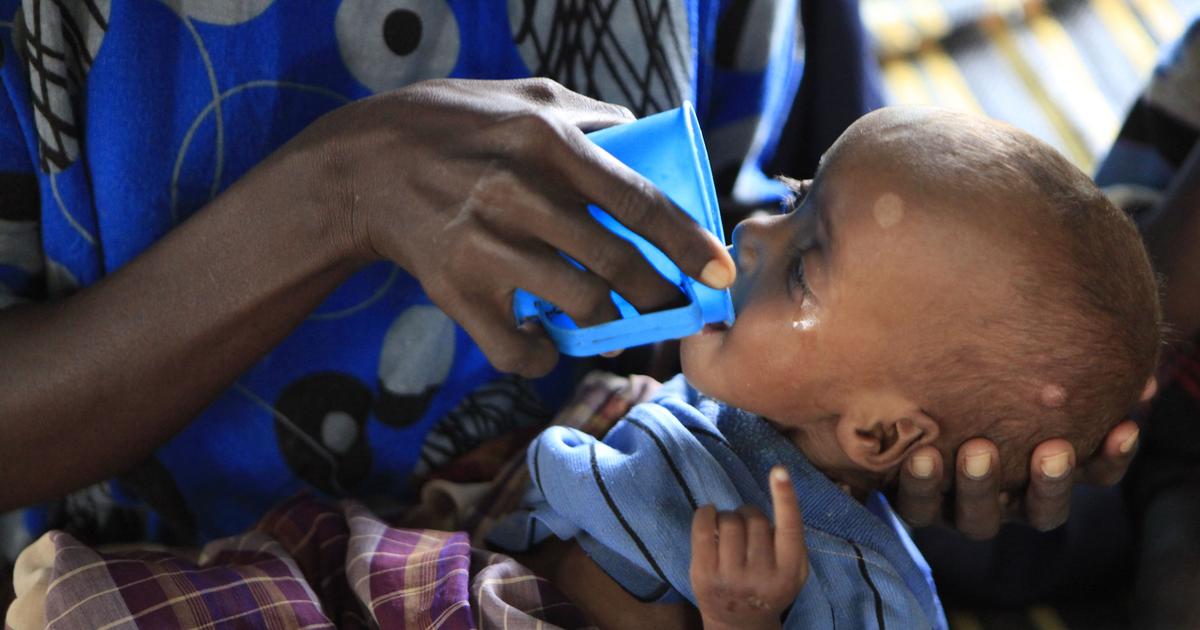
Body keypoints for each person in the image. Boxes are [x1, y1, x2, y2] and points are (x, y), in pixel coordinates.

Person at [0, 0, 1135, 602]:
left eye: (798, 246)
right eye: (789, 203)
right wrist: (328, 197)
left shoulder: (779, 509)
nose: (750, 229)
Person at [489, 106, 1161, 629]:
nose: (752, 230)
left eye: (804, 271)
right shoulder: (726, 406)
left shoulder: (853, 577)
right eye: (794, 200)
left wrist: (741, 619)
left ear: (877, 435)